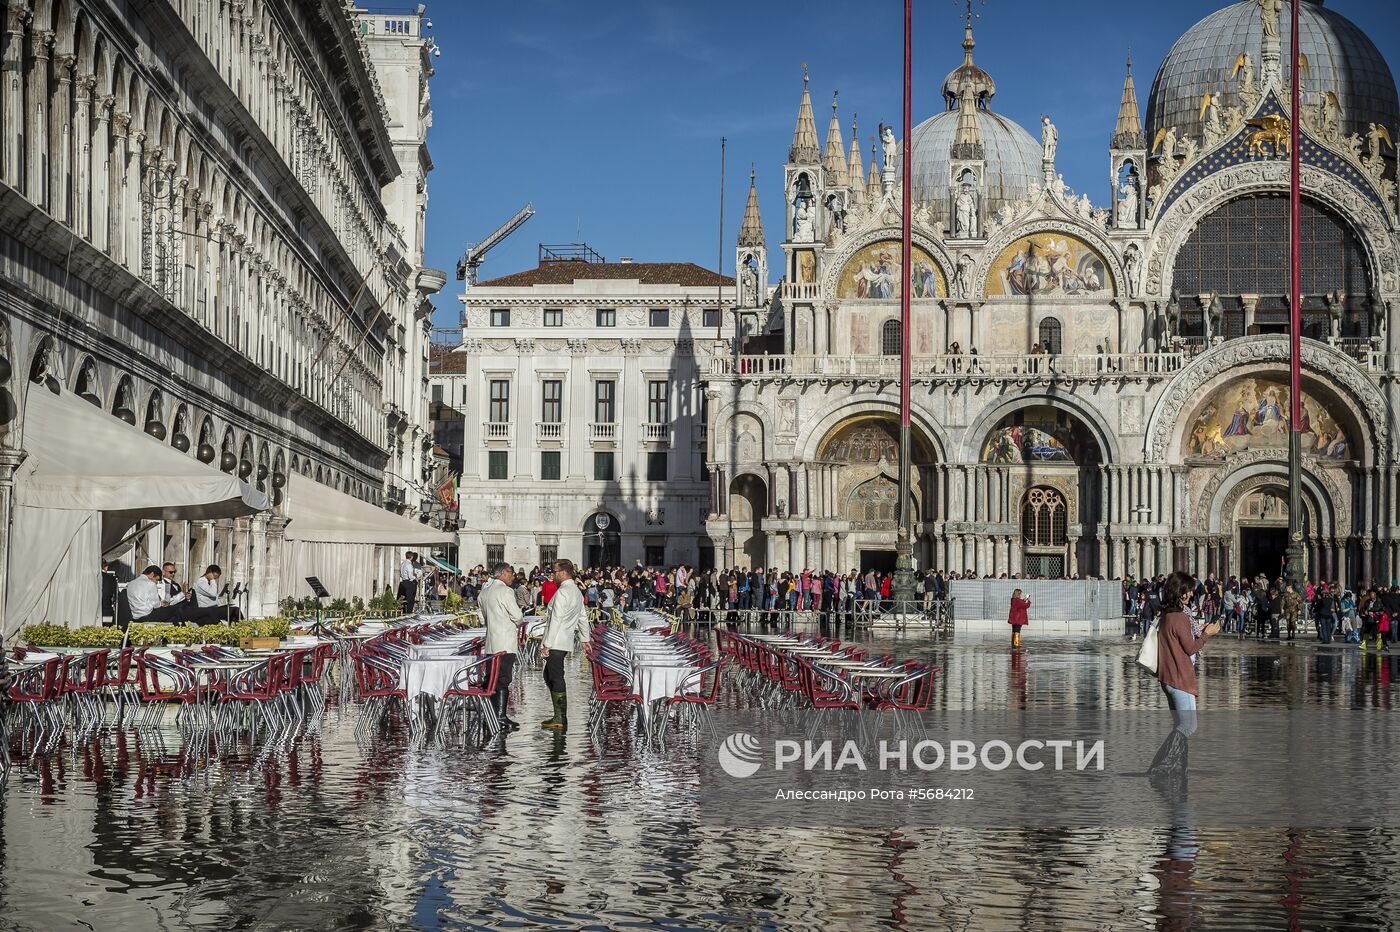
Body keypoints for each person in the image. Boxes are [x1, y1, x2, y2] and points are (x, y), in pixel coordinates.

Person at [1147, 571, 1222, 785]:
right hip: (1180, 677)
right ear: (1180, 592)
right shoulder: (1179, 617)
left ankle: (1176, 767)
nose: (1191, 594)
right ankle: (1161, 766)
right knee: (1188, 726)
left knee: (1180, 725)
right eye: (1188, 590)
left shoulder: (1166, 615)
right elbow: (1190, 647)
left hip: (1168, 677)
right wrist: (1209, 634)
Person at [539, 560, 588, 731]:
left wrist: (547, 644)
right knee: (550, 675)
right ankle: (559, 715)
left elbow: (556, 619)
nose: (552, 575)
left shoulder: (563, 592)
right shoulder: (576, 591)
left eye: (554, 571)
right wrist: (585, 639)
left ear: (562, 573)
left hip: (557, 641)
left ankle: (560, 717)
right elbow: (583, 617)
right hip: (565, 640)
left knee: (555, 677)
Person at [479, 561, 523, 731]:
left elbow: (484, 617)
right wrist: (516, 622)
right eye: (510, 573)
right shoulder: (505, 591)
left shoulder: (484, 592)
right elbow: (517, 616)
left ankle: (491, 714)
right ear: (503, 573)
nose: (512, 576)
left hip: (491, 642)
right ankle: (500, 716)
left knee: (492, 678)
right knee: (503, 679)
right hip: (505, 642)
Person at [126, 565, 191, 622]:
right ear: (152, 574)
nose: (156, 583)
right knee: (177, 609)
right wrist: (161, 603)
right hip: (148, 616)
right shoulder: (151, 584)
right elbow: (156, 605)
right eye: (156, 580)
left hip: (135, 616)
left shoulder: (131, 583)